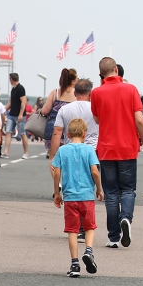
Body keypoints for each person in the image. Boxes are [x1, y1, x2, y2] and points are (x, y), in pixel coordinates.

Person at [91, 57, 143, 248]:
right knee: (128, 189)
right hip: (128, 147)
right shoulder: (130, 89)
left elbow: (97, 120)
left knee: (111, 192)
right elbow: (139, 119)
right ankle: (126, 218)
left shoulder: (96, 92)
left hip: (106, 148)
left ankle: (113, 237)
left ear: (101, 74)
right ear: (116, 69)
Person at [52, 118, 103, 277]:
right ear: (84, 133)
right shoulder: (89, 150)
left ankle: (75, 265)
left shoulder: (62, 151)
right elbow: (95, 171)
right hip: (86, 195)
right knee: (89, 227)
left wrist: (57, 193)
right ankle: (88, 250)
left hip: (70, 197)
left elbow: (56, 172)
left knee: (72, 231)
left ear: (67, 134)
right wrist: (99, 189)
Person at [41, 68, 78, 158]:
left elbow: (45, 111)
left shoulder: (55, 93)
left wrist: (40, 111)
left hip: (53, 129)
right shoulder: (77, 94)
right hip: (71, 130)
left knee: (53, 158)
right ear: (73, 81)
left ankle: (56, 172)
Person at [4, 73, 29, 159]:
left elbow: (23, 101)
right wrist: (4, 110)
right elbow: (11, 102)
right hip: (11, 115)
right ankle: (6, 152)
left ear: (11, 79)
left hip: (19, 115)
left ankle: (26, 152)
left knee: (22, 133)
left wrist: (21, 114)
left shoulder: (20, 88)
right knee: (8, 132)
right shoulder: (13, 89)